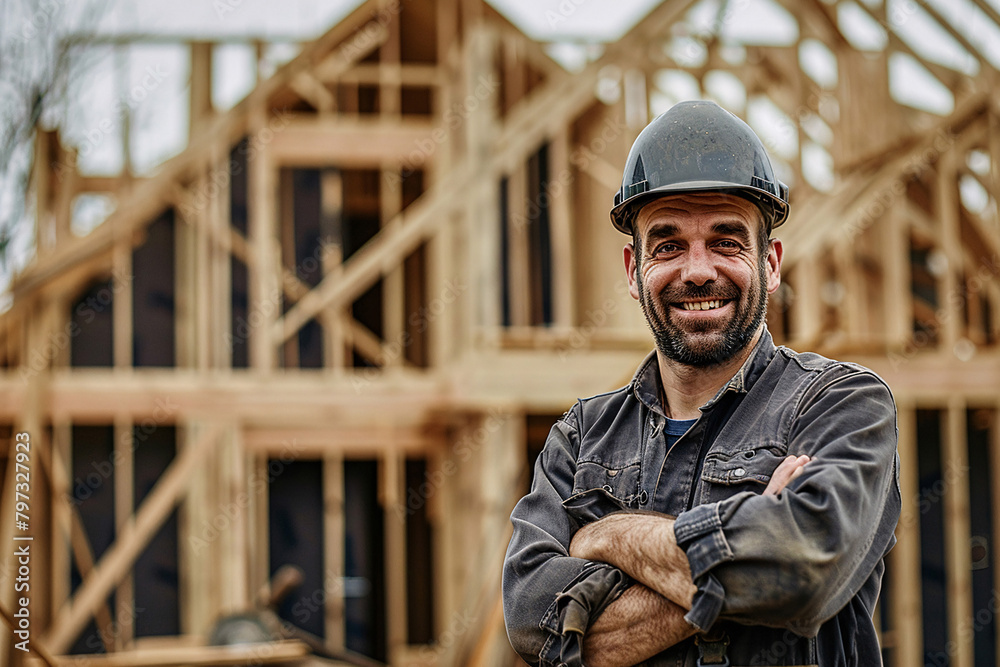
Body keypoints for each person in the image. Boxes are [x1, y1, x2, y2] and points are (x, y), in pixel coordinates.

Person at [502, 100, 900, 666]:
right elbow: (534, 624)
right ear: (634, 272)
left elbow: (801, 578)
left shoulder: (841, 405)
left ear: (771, 263)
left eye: (726, 242)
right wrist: (751, 548)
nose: (697, 271)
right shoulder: (582, 436)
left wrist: (609, 538)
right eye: (667, 245)